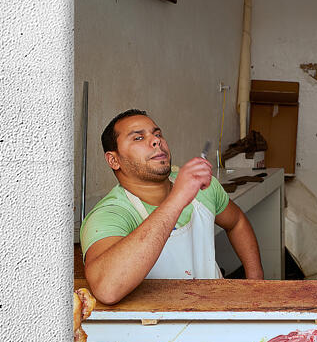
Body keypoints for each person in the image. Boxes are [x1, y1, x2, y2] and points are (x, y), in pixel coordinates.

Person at [80, 109, 263, 304]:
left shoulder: (201, 188)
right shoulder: (109, 214)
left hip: (214, 313)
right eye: (139, 138)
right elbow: (107, 289)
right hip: (158, 329)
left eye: (157, 134)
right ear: (113, 160)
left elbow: (236, 222)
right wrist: (178, 197)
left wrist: (256, 283)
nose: (156, 141)